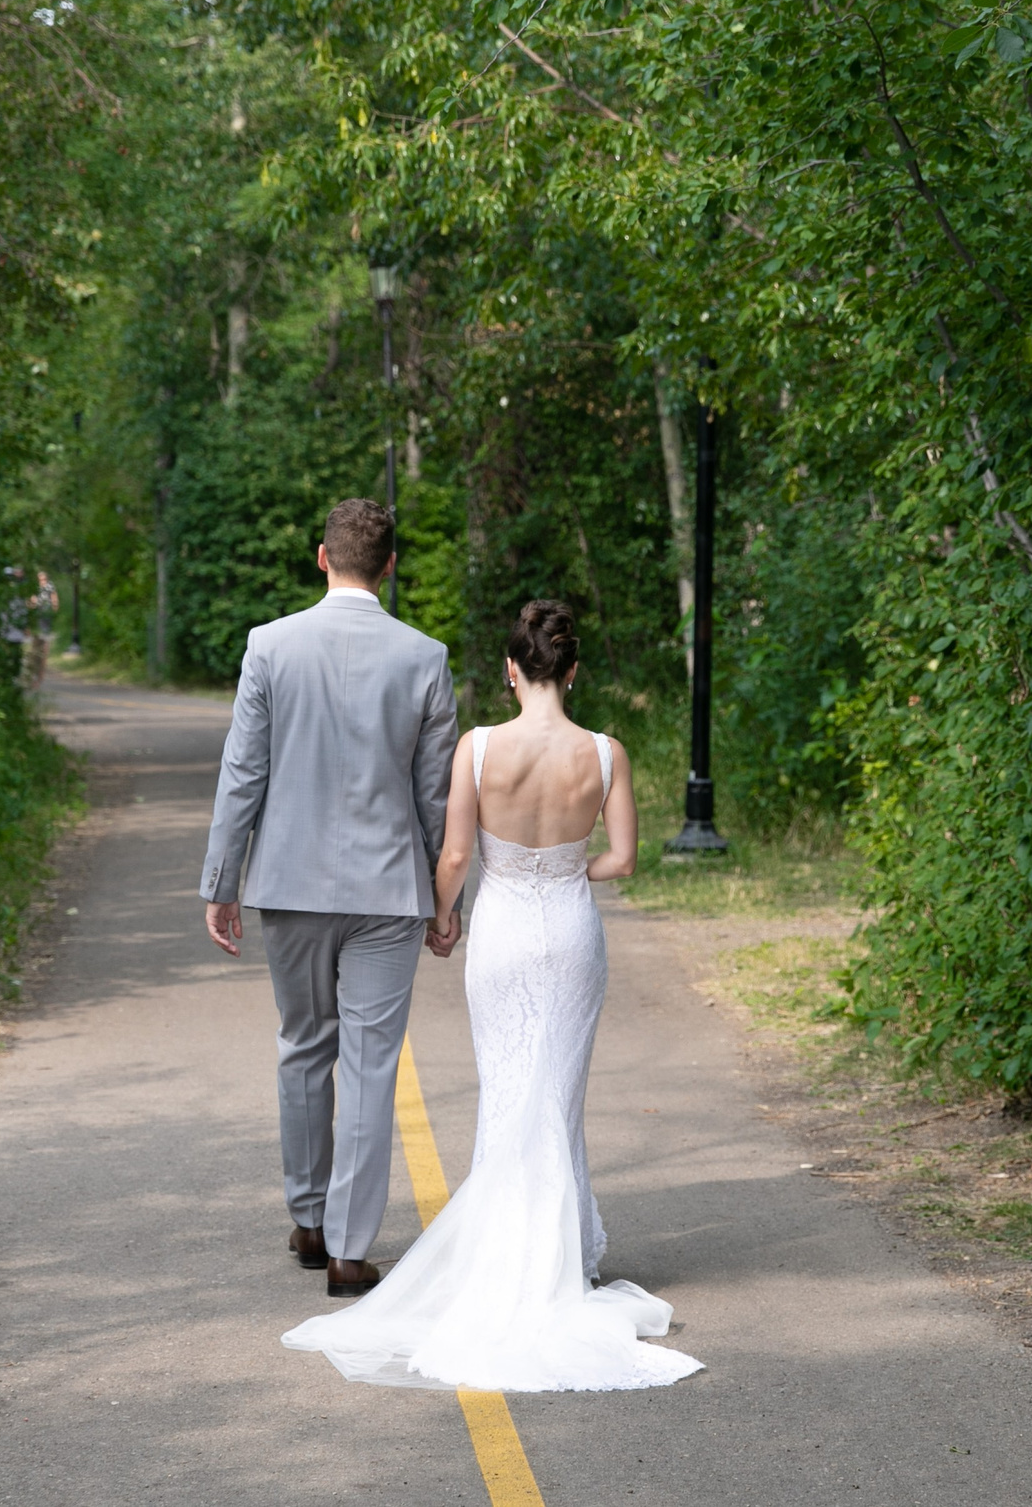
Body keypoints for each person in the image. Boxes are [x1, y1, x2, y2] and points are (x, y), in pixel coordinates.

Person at [281, 600, 702, 1391]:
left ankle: (508, 1259)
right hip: (572, 932)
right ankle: (557, 1262)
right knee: (558, 1099)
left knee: (509, 1094)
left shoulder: (477, 749)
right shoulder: (606, 753)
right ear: (571, 671)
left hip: (503, 930)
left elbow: (455, 852)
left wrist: (445, 919)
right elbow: (623, 860)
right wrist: (567, 870)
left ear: (512, 670)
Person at [198, 498, 459, 1297]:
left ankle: (308, 1220)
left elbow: (245, 770)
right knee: (373, 1066)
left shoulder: (270, 647)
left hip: (291, 883)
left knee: (304, 1044)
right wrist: (448, 902)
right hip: (389, 890)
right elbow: (437, 796)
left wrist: (221, 881)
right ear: (388, 568)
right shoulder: (425, 656)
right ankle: (349, 1248)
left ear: (322, 557)